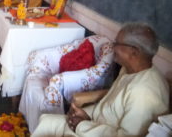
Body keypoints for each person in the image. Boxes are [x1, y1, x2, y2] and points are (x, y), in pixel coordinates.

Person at [32, 23, 169, 137]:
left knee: (49, 125)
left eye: (117, 43)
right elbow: (111, 104)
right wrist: (86, 114)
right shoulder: (129, 69)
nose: (112, 47)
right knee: (45, 121)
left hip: (97, 131)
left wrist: (82, 125)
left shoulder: (144, 93)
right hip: (94, 125)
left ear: (134, 52)